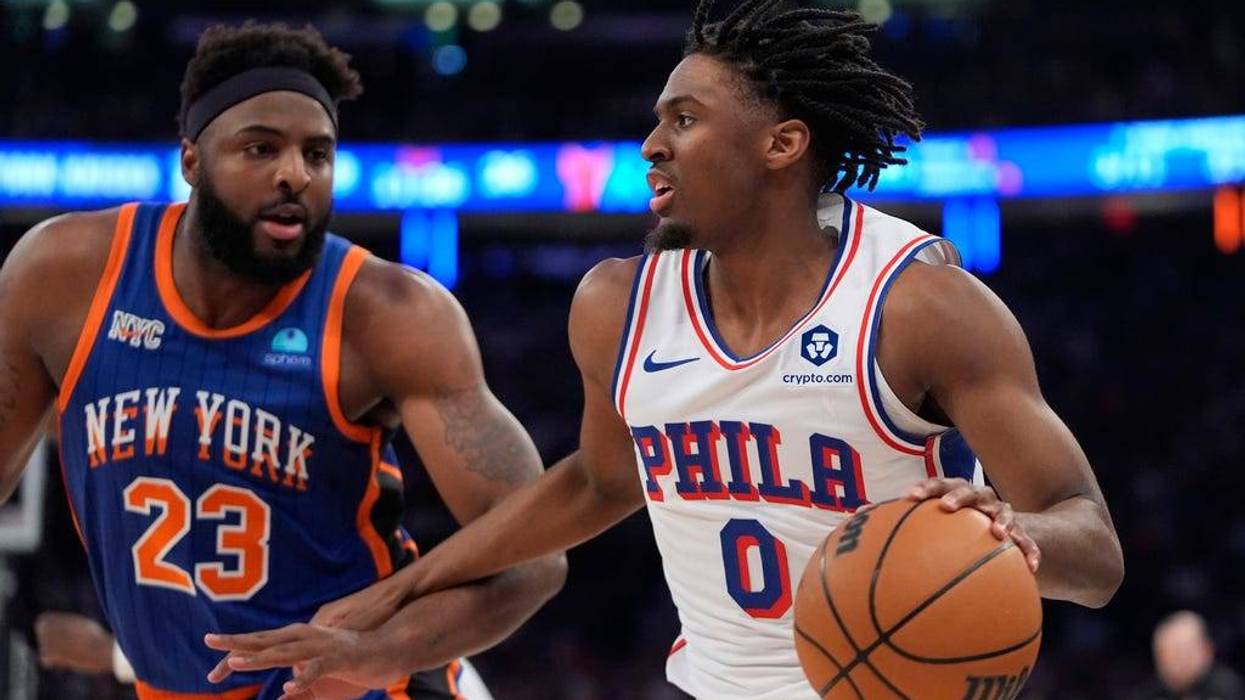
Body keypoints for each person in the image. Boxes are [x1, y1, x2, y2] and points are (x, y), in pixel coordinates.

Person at [208, 2, 1124, 698]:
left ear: (783, 142)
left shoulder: (920, 306)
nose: (651, 144)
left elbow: (1093, 547)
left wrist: (1015, 534)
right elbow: (600, 483)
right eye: (656, 120)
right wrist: (393, 595)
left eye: (683, 120)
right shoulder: (618, 304)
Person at [0, 21, 565, 700]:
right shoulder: (63, 275)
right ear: (191, 160)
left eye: (317, 154)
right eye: (260, 148)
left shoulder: (389, 314)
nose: (295, 174)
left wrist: (372, 649)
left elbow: (535, 551)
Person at [1130, 611, 1245, 700]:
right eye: (1165, 656)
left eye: (1181, 654)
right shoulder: (1148, 695)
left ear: (1206, 651)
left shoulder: (1230, 691)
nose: (1174, 665)